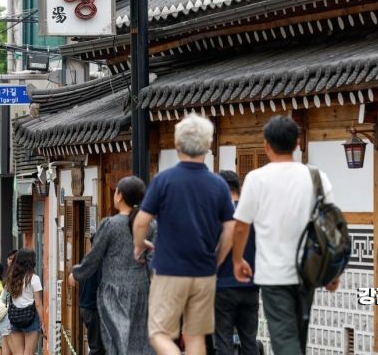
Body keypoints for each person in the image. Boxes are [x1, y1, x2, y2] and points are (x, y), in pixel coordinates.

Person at [232, 116, 340, 355]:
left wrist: (238, 260)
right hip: (309, 272)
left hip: (274, 274)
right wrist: (333, 270)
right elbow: (333, 227)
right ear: (298, 143)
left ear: (266, 146)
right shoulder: (317, 178)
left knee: (284, 338)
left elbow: (240, 226)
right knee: (297, 337)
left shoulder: (256, 179)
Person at [133, 114, 234, 355]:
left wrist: (140, 244)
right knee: (195, 337)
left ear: (177, 146)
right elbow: (231, 227)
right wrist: (218, 259)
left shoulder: (164, 180)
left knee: (159, 333)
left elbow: (141, 221)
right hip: (205, 271)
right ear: (209, 147)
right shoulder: (219, 185)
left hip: (169, 269)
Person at [69, 176, 154, 355]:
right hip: (142, 291)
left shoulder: (110, 225)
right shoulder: (150, 225)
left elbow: (94, 257)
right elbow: (155, 259)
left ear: (119, 195)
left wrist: (76, 273)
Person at [211, 170, 259, 355]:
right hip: (251, 284)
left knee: (223, 340)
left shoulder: (217, 215)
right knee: (249, 340)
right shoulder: (253, 215)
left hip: (223, 285)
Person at [5, 249, 43, 355]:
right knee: (29, 353)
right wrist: (43, 322)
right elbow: (38, 303)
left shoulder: (11, 278)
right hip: (31, 317)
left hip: (14, 316)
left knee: (18, 353)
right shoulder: (34, 278)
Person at [76, 241, 103, 355]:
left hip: (85, 307)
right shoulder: (99, 262)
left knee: (97, 347)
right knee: (97, 348)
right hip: (93, 308)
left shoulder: (86, 260)